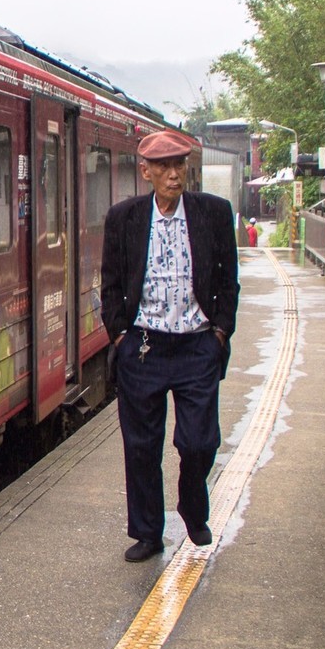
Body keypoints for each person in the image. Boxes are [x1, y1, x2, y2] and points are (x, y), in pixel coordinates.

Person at [100, 130, 239, 564]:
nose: (173, 174)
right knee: (141, 446)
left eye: (179, 166)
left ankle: (193, 511)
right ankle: (147, 533)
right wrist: (120, 336)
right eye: (163, 167)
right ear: (146, 172)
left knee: (199, 441)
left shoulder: (214, 213)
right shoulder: (123, 218)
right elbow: (110, 283)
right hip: (143, 346)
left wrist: (220, 333)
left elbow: (228, 280)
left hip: (198, 343)